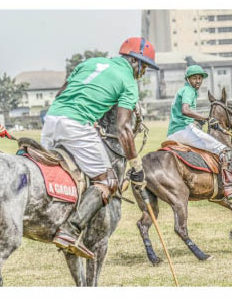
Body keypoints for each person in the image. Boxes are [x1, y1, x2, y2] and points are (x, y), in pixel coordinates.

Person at [41, 37, 159, 258]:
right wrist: (135, 165)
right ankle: (71, 230)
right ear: (136, 62)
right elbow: (123, 128)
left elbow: (60, 95)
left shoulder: (90, 62)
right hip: (76, 125)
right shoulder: (128, 81)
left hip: (52, 120)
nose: (142, 75)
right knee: (108, 180)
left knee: (52, 172)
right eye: (144, 69)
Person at [166, 65, 232, 199]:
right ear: (188, 79)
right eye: (194, 78)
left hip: (174, 132)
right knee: (224, 150)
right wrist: (207, 118)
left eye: (200, 78)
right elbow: (185, 110)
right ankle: (229, 186)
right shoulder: (189, 91)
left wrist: (200, 122)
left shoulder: (184, 90)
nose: (198, 81)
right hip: (184, 129)